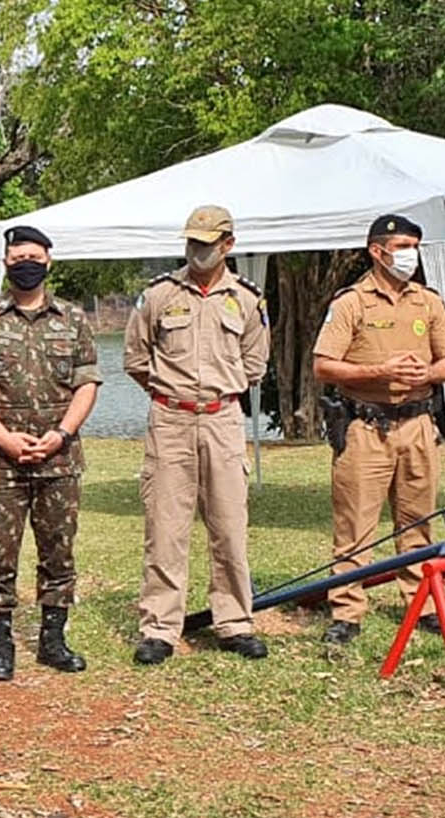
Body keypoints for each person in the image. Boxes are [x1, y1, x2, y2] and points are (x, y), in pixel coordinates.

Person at [0, 226, 101, 681]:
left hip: (58, 457)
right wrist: (2, 437)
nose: (25, 264)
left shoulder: (74, 319)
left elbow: (87, 384)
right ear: (4, 263)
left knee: (58, 551)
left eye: (33, 256)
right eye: (17, 257)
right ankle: (2, 645)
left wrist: (61, 433)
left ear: (49, 261)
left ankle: (53, 641)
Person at [124, 205, 270, 665]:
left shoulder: (247, 298)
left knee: (229, 527)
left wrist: (215, 395)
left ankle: (234, 622)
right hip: (170, 420)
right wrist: (171, 394)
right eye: (191, 243)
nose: (197, 251)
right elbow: (135, 357)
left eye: (207, 244)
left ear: (228, 244)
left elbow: (255, 364)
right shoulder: (160, 294)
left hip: (224, 418)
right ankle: (161, 627)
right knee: (166, 528)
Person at [313, 213, 445, 644]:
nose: (410, 256)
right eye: (404, 247)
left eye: (414, 247)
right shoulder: (351, 302)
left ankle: (423, 603)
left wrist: (427, 374)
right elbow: (322, 366)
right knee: (355, 526)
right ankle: (347, 612)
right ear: (378, 251)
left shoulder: (428, 301)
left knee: (417, 522)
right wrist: (379, 370)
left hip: (418, 423)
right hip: (366, 426)